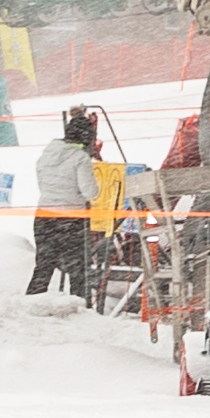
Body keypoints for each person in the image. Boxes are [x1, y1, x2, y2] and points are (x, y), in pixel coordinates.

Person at [33, 105, 118, 297]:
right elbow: (90, 192)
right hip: (71, 218)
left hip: (43, 216)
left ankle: (32, 303)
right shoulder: (80, 158)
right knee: (77, 267)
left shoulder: (46, 156)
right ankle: (78, 307)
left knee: (43, 266)